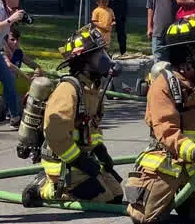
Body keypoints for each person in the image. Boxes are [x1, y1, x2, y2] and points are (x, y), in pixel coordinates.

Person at [122, 14, 195, 224]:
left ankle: (190, 200)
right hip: (170, 161)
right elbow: (167, 130)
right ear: (185, 54)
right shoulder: (163, 85)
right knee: (146, 217)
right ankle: (157, 197)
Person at [20, 25, 124, 208]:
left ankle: (67, 183)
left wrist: (100, 150)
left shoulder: (91, 89)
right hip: (63, 161)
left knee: (116, 194)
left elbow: (92, 126)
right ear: (84, 61)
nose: (104, 60)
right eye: (98, 55)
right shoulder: (68, 91)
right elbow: (55, 135)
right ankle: (44, 187)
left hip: (83, 158)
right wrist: (79, 160)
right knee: (103, 198)